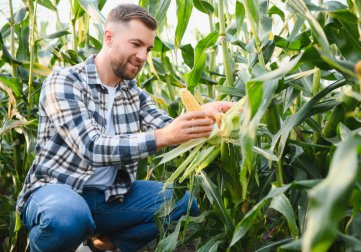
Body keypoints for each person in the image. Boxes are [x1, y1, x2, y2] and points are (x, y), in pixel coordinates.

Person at [16, 3, 234, 252]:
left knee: (183, 203)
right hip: (56, 193)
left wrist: (202, 115)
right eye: (136, 44)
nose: (143, 56)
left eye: (148, 49)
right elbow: (91, 147)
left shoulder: (135, 96)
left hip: (109, 198)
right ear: (109, 37)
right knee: (67, 218)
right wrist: (164, 136)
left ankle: (96, 246)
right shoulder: (65, 81)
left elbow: (169, 127)